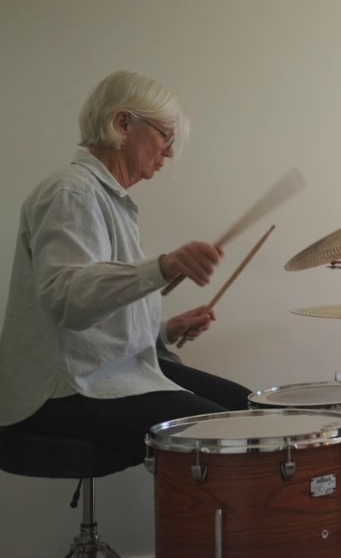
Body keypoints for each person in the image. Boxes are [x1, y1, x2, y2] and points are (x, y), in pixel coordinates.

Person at [0, 70, 252, 462]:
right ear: (121, 123)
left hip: (110, 371)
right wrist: (164, 267)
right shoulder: (71, 191)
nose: (168, 152)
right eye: (165, 137)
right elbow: (68, 300)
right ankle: (217, 525)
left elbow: (99, 321)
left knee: (249, 408)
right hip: (64, 389)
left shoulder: (111, 200)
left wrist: (166, 331)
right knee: (230, 436)